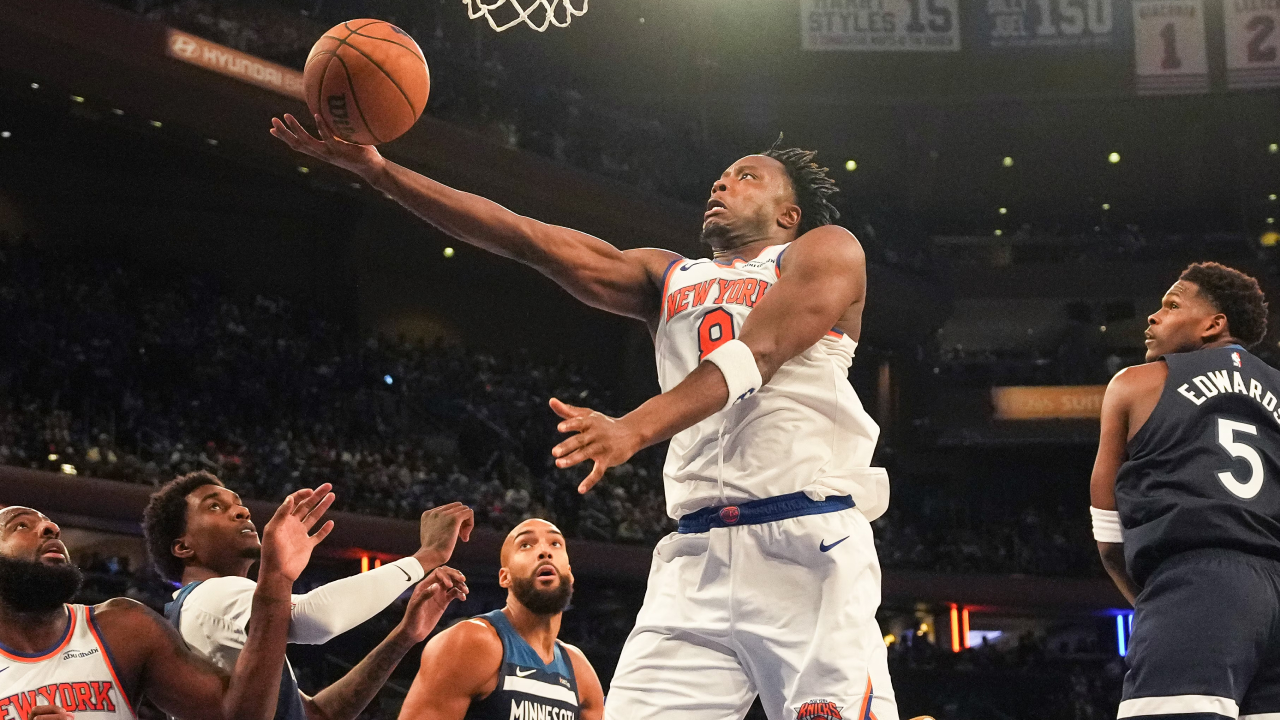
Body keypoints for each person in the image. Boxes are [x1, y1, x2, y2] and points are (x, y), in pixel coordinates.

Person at [272, 117, 896, 720]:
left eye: (747, 176)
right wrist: (382, 172)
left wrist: (633, 428)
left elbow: (756, 353)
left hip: (806, 543)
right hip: (696, 555)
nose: (721, 184)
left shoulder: (825, 250)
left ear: (790, 215)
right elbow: (523, 237)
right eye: (720, 176)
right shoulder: (668, 275)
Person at [1091, 262, 1280, 719]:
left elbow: (1108, 537)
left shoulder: (1136, 383)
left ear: (1214, 324)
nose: (1153, 317)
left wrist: (1161, 600)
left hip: (1196, 581)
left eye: (1172, 305)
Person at [141, 472, 474, 720]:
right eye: (215, 507)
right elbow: (316, 619)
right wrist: (425, 557)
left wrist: (403, 636)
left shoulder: (217, 613)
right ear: (183, 546)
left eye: (239, 505)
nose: (242, 512)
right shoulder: (213, 595)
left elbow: (318, 715)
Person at [0, 485, 333, 720]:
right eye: (21, 526)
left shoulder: (123, 627)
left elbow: (240, 714)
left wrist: (276, 579)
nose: (49, 528)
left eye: (49, 524)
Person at [398, 518, 603, 720]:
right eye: (525, 545)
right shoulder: (471, 642)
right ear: (505, 577)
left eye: (555, 543)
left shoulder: (580, 672)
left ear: (569, 573)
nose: (545, 551)